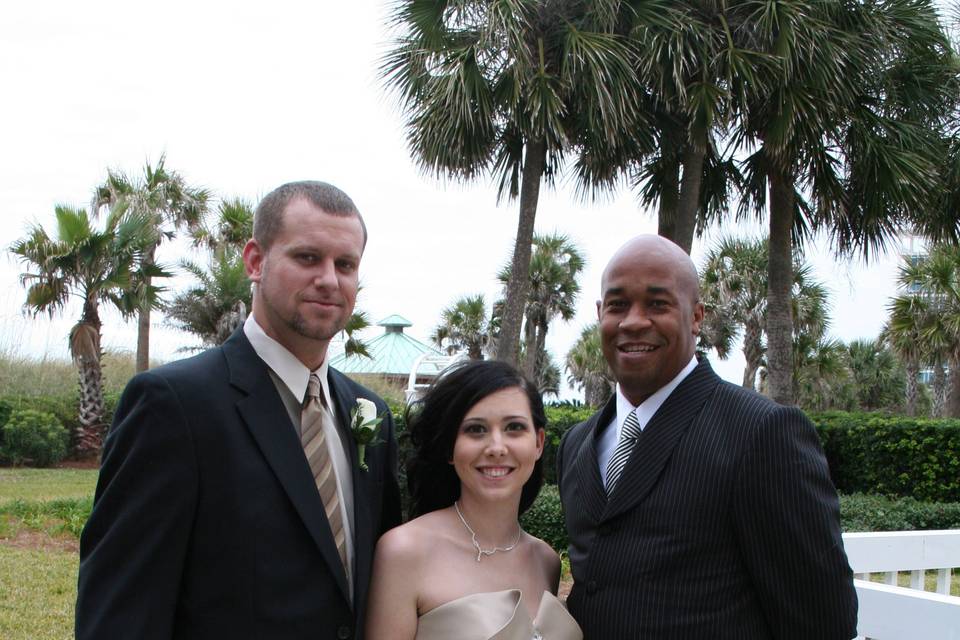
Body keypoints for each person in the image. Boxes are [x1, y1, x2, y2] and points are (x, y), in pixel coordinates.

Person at [76, 181, 402, 640]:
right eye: (307, 257)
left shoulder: (371, 414)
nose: (329, 279)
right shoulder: (174, 405)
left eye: (345, 264)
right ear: (255, 260)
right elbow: (121, 612)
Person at [556, 234, 858, 639]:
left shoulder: (761, 433)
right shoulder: (577, 444)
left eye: (658, 304)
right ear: (600, 314)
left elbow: (823, 621)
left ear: (696, 316)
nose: (633, 321)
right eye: (618, 305)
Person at [365, 360, 582, 640]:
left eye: (514, 427)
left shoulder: (546, 561)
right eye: (476, 430)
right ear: (450, 448)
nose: (496, 447)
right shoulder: (404, 551)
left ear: (539, 443)